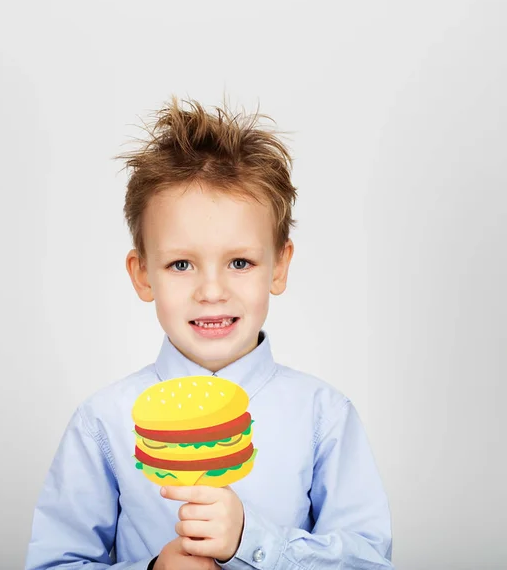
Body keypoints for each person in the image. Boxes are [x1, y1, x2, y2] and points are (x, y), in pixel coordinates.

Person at [24, 97, 394, 570]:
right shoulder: (102, 424)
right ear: (142, 275)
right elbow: (54, 562)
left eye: (240, 262)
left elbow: (369, 562)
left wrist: (251, 539)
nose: (212, 291)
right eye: (182, 264)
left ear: (279, 267)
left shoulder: (325, 418)